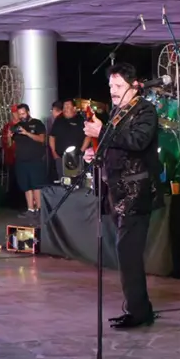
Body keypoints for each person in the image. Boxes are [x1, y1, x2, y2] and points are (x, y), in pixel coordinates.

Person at [84, 62, 162, 329]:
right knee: (126, 252)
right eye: (111, 86)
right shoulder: (118, 111)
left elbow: (137, 141)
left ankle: (139, 312)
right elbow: (115, 145)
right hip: (118, 192)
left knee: (127, 251)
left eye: (118, 86)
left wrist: (102, 131)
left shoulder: (145, 110)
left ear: (134, 86)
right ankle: (137, 309)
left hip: (137, 191)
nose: (113, 91)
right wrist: (96, 152)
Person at [9, 104, 47, 218]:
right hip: (21, 160)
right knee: (26, 185)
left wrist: (27, 133)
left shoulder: (37, 123)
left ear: (28, 112)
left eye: (23, 113)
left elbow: (41, 139)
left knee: (36, 185)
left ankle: (39, 209)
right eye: (19, 114)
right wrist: (9, 136)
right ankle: (30, 209)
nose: (21, 116)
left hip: (35, 159)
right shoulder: (17, 126)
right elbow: (10, 144)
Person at [49, 99, 91, 178]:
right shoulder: (59, 120)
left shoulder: (81, 120)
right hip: (61, 157)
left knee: (77, 180)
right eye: (64, 107)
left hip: (76, 157)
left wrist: (81, 151)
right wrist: (54, 152)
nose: (65, 109)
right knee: (63, 180)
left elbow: (88, 136)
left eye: (68, 107)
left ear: (74, 108)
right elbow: (52, 136)